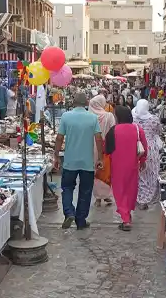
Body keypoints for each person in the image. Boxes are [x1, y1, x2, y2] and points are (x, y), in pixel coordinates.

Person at [54, 92, 104, 229]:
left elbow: (59, 138)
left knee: (67, 188)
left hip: (70, 161)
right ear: (87, 103)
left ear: (73, 102)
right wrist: (100, 158)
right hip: (87, 162)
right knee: (85, 191)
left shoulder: (66, 116)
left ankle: (69, 212)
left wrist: (56, 155)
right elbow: (99, 138)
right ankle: (81, 220)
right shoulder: (93, 118)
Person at [106, 106, 147, 231]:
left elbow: (106, 148)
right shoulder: (137, 129)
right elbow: (144, 146)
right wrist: (143, 160)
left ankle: (125, 219)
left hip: (117, 165)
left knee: (120, 191)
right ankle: (127, 213)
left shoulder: (113, 130)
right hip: (133, 164)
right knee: (131, 190)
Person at [132, 99, 161, 210]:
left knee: (139, 174)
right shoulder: (154, 119)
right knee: (151, 172)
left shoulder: (133, 119)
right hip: (151, 148)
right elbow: (159, 132)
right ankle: (149, 196)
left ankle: (139, 197)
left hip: (137, 148)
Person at [89, 95, 116, 207]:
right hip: (106, 146)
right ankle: (107, 195)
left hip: (91, 146)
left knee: (94, 171)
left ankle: (98, 198)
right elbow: (114, 130)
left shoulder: (89, 116)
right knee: (106, 170)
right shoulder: (109, 116)